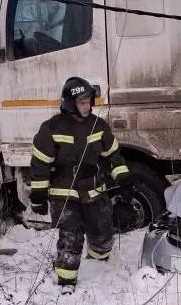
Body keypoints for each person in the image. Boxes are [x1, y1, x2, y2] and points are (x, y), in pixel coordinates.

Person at [29, 77, 135, 289]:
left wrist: (124, 180)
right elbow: (40, 165)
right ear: (70, 103)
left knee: (102, 230)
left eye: (89, 102)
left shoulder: (99, 125)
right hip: (64, 191)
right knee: (71, 235)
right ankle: (66, 281)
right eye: (82, 102)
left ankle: (99, 264)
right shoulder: (51, 128)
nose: (87, 107)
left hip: (94, 190)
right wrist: (38, 197)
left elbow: (113, 156)